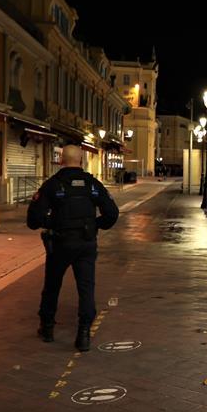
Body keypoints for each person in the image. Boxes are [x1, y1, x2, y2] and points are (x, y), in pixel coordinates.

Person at [27, 145, 119, 351]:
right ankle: (84, 333)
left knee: (52, 285)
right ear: (81, 160)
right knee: (86, 287)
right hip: (86, 244)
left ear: (61, 160)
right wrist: (95, 225)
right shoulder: (92, 184)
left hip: (59, 244)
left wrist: (52, 223)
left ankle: (47, 327)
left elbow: (33, 220)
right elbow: (112, 214)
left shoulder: (52, 185)